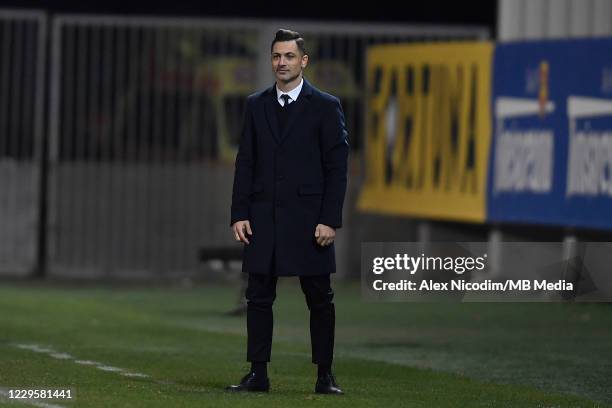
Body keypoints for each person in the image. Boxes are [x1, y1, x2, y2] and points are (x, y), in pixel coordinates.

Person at [226, 28, 349, 395]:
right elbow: (245, 162)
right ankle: (258, 375)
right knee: (258, 296)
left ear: (304, 61)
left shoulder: (326, 106)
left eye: (289, 56)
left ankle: (324, 376)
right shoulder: (255, 104)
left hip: (310, 221)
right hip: (263, 218)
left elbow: (337, 168)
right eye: (277, 56)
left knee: (319, 299)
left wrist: (330, 219)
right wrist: (239, 212)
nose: (282, 62)